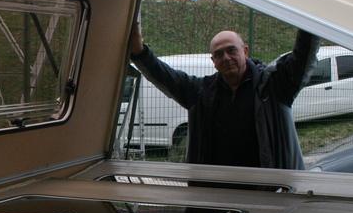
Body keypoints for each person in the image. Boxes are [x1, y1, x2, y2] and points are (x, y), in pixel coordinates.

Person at [128, 23, 319, 169]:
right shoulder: (202, 93)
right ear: (213, 61)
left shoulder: (273, 87)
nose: (226, 58)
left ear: (245, 51)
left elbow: (304, 56)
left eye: (231, 50)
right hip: (214, 195)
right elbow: (168, 78)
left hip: (269, 192)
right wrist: (139, 52)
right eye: (218, 54)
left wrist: (310, 15)